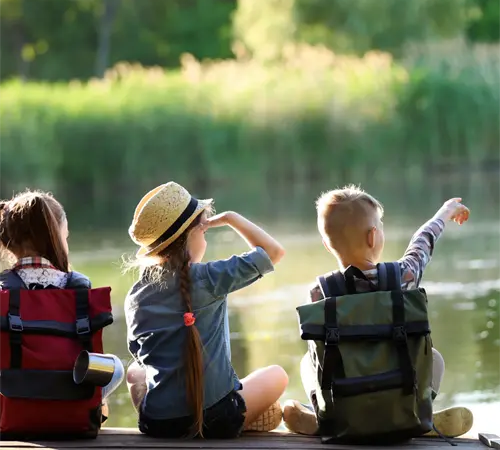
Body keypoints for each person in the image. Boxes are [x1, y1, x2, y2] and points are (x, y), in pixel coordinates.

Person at [283, 185, 474, 439]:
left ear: (328, 246)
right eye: (381, 226)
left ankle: (324, 417)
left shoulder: (319, 292)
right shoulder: (403, 277)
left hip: (346, 405)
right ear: (373, 236)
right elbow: (422, 244)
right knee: (434, 358)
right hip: (399, 393)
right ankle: (416, 414)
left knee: (308, 363)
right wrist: (444, 212)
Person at [124, 181, 288, 439]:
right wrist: (232, 219)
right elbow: (273, 252)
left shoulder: (136, 294)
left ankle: (184, 421)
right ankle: (248, 417)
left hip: (158, 423)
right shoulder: (209, 277)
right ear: (193, 234)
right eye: (204, 232)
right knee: (278, 375)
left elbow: (139, 354)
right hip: (219, 418)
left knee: (134, 371)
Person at [0, 190, 124, 422]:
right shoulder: (79, 287)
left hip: (13, 401)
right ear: (55, 238)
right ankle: (94, 409)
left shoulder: (3, 290)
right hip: (72, 396)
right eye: (65, 238)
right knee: (116, 366)